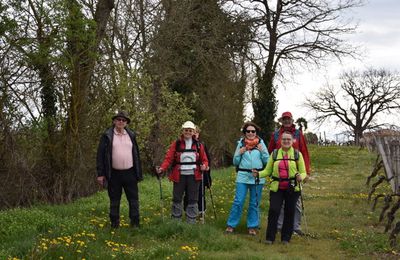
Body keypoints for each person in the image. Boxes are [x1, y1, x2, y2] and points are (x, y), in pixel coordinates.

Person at [255, 131, 307, 244]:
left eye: (288, 139)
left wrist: (300, 177)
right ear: (280, 141)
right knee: (274, 210)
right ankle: (270, 238)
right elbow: (267, 171)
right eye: (284, 139)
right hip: (276, 187)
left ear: (293, 141)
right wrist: (258, 174)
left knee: (290, 212)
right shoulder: (274, 154)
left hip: (292, 188)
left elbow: (303, 172)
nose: (286, 141)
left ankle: (285, 238)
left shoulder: (298, 154)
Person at [96, 111, 143, 228]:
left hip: (130, 172)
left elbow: (136, 154)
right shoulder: (107, 135)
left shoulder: (131, 135)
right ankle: (114, 224)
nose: (121, 122)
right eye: (118, 119)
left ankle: (135, 223)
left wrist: (138, 172)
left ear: (126, 123)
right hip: (114, 174)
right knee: (114, 200)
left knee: (133, 200)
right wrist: (100, 174)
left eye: (123, 120)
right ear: (114, 121)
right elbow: (100, 155)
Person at [156, 121, 209, 223]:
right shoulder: (176, 144)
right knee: (177, 198)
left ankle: (191, 221)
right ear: (183, 131)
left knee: (193, 199)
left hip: (194, 175)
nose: (188, 132)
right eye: (186, 130)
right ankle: (176, 220)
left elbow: (204, 160)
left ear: (193, 132)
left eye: (190, 130)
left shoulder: (199, 145)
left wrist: (204, 166)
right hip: (179, 175)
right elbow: (168, 158)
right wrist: (162, 168)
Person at [268, 111, 311, 236]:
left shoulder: (298, 134)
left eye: (289, 119)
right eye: (284, 119)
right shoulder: (276, 135)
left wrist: (306, 172)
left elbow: (304, 152)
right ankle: (280, 226)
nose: (286, 121)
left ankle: (295, 226)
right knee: (279, 202)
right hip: (279, 172)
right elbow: (270, 151)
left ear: (292, 120)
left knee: (295, 202)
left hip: (295, 172)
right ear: (281, 121)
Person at [225, 122, 269, 236]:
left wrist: (262, 152)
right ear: (245, 133)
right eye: (248, 131)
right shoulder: (241, 144)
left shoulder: (261, 144)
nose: (250, 133)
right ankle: (231, 225)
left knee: (254, 203)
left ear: (256, 133)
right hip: (243, 176)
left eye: (253, 131)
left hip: (257, 177)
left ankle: (252, 226)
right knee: (238, 201)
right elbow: (235, 162)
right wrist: (239, 153)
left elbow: (267, 162)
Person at [183, 126, 212, 220]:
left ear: (198, 134)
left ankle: (201, 212)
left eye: (196, 132)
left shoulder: (201, 145)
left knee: (200, 192)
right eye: (193, 132)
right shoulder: (184, 144)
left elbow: (207, 160)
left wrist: (206, 168)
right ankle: (188, 211)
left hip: (200, 173)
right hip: (188, 173)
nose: (194, 134)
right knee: (188, 193)